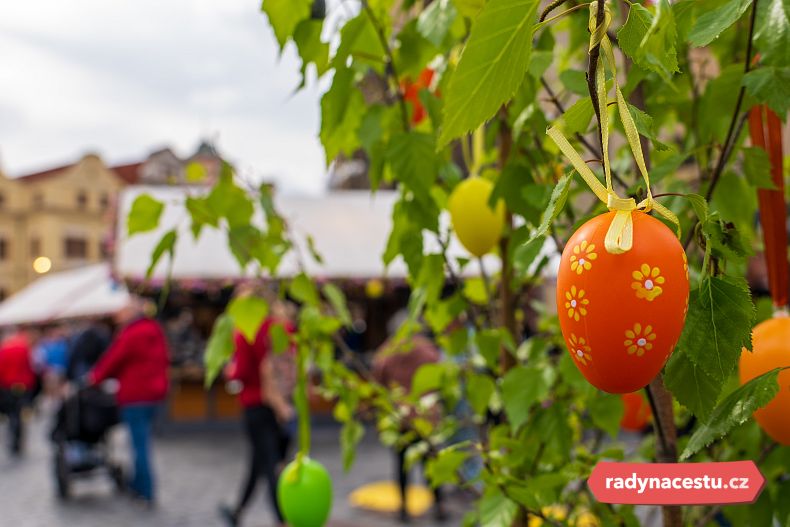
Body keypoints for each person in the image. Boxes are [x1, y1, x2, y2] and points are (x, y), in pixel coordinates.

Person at [220, 299, 295, 527]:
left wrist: (229, 372)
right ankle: (238, 511)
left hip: (256, 402)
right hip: (281, 404)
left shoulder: (246, 333)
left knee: (270, 463)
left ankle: (282, 518)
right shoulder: (282, 329)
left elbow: (240, 371)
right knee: (260, 461)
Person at [87, 297, 169, 505]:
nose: (117, 317)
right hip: (155, 394)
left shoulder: (131, 334)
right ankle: (140, 483)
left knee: (138, 443)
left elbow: (112, 360)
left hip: (136, 394)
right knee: (143, 441)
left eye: (121, 313)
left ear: (130, 313)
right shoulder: (154, 329)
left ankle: (145, 488)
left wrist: (94, 378)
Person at [373, 329, 447, 523]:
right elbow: (441, 373)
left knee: (402, 464)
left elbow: (378, 373)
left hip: (400, 416)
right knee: (430, 463)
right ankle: (439, 505)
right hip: (425, 415)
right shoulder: (426, 348)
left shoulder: (390, 349)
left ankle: (404, 509)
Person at [0, 329, 37, 456]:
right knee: (20, 412)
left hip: (8, 385)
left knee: (12, 414)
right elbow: (29, 366)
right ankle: (18, 439)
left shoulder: (4, 350)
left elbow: (2, 368)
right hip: (23, 385)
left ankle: (13, 438)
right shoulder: (24, 349)